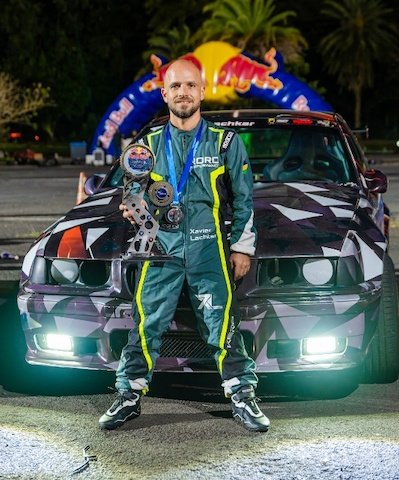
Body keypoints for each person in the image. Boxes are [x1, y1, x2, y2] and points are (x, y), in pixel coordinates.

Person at [99, 58, 269, 433]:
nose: (183, 93)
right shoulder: (147, 146)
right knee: (146, 323)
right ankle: (128, 395)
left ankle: (242, 394)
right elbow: (131, 192)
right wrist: (132, 206)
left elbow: (243, 201)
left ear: (202, 91)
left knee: (222, 323)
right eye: (175, 87)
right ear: (164, 94)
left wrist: (242, 247)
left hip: (209, 249)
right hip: (160, 249)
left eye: (190, 85)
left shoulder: (225, 142)